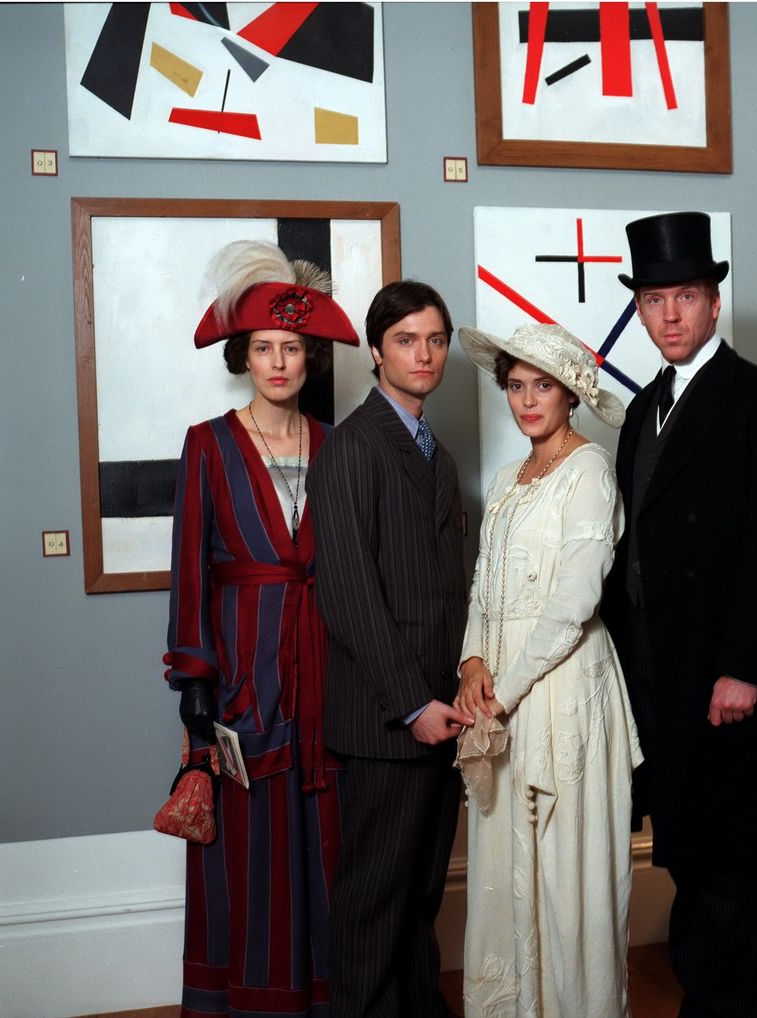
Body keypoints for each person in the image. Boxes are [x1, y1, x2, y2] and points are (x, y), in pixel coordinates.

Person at [600, 212, 757, 1018]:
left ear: (714, 303)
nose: (669, 316)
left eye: (685, 296)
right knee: (692, 861)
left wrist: (742, 665)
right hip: (660, 673)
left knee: (735, 868)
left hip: (725, 676)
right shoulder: (640, 412)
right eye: (655, 299)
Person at [163, 239, 360, 1017]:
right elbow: (189, 572)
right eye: (263, 348)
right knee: (247, 851)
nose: (279, 362)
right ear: (243, 357)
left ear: (311, 358)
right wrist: (194, 683)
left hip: (324, 672)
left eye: (292, 349)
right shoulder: (208, 445)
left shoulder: (337, 446)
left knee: (324, 842)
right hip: (242, 676)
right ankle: (247, 1001)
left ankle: (322, 997)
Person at [454, 323, 644, 1018]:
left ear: (570, 395)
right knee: (507, 868)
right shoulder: (508, 479)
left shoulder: (590, 470)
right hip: (502, 693)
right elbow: (484, 582)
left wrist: (501, 691)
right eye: (515, 385)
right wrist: (473, 660)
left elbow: (573, 603)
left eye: (543, 385)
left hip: (564, 692)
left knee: (572, 878)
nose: (527, 400)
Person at [307, 280, 472, 1018]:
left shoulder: (438, 455)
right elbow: (347, 595)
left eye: (435, 339)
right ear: (376, 351)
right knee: (375, 899)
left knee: (421, 893)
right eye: (407, 340)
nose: (425, 354)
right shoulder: (351, 446)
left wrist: (457, 691)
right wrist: (412, 704)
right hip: (389, 719)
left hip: (444, 711)